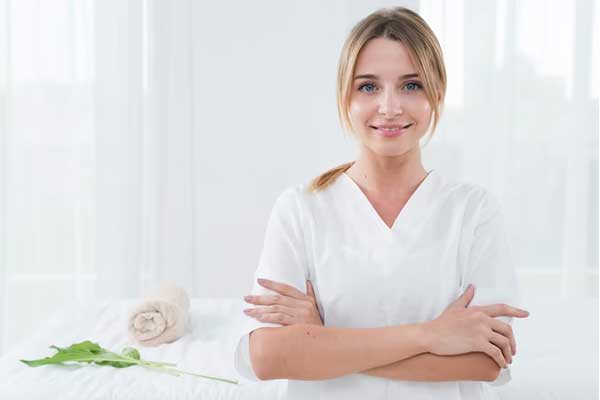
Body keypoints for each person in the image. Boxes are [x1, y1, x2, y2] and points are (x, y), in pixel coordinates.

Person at [233, 6, 529, 400]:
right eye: (369, 87)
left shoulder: (472, 212)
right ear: (346, 97)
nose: (390, 107)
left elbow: (484, 362)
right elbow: (268, 356)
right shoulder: (301, 209)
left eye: (412, 85)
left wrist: (322, 341)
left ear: (437, 94)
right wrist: (431, 335)